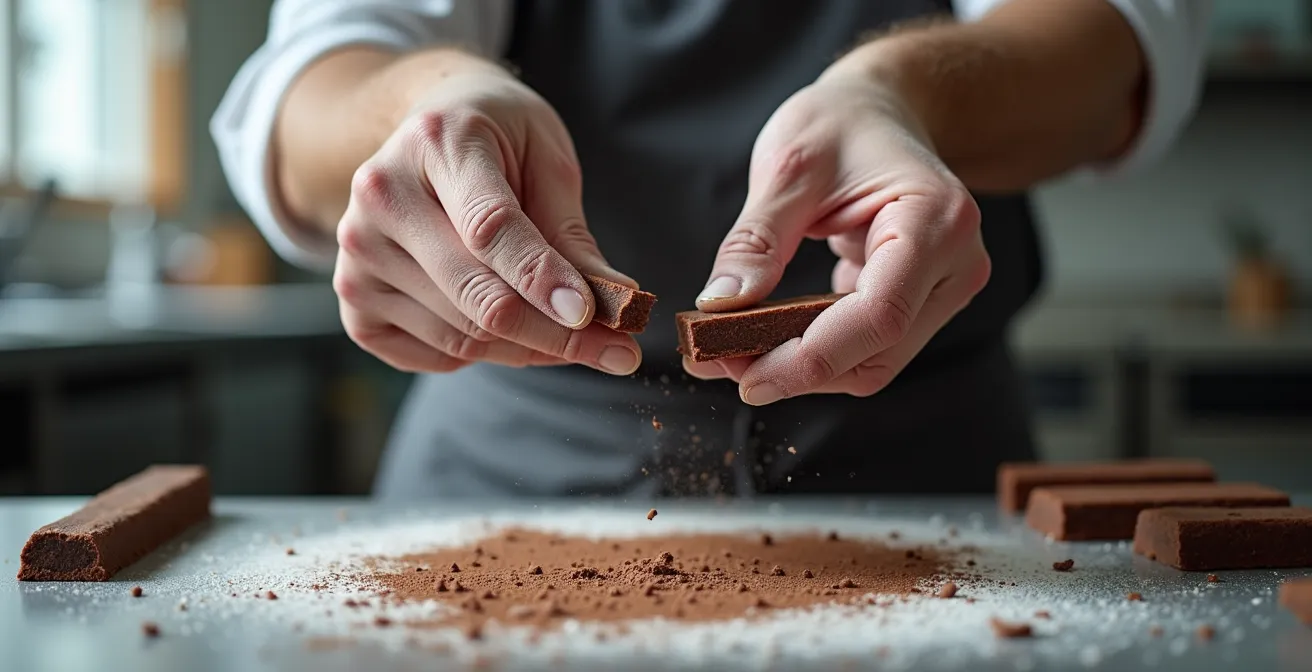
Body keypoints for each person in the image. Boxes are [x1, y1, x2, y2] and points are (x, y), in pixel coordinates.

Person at [214, 0, 1210, 499]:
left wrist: (897, 97)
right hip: (507, 449)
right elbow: (319, 74)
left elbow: (1113, 43)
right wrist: (426, 107)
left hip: (917, 455)